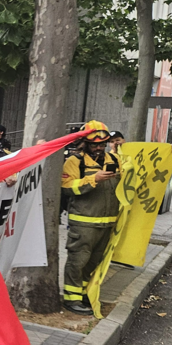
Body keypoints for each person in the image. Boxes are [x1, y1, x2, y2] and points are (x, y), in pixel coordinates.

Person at [61, 121, 121, 315]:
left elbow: (132, 173)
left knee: (94, 262)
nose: (98, 148)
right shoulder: (75, 162)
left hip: (107, 223)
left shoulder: (114, 159)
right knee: (78, 261)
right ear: (85, 143)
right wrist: (93, 179)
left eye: (102, 144)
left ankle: (85, 293)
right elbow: (67, 187)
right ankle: (71, 299)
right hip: (83, 223)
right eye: (94, 144)